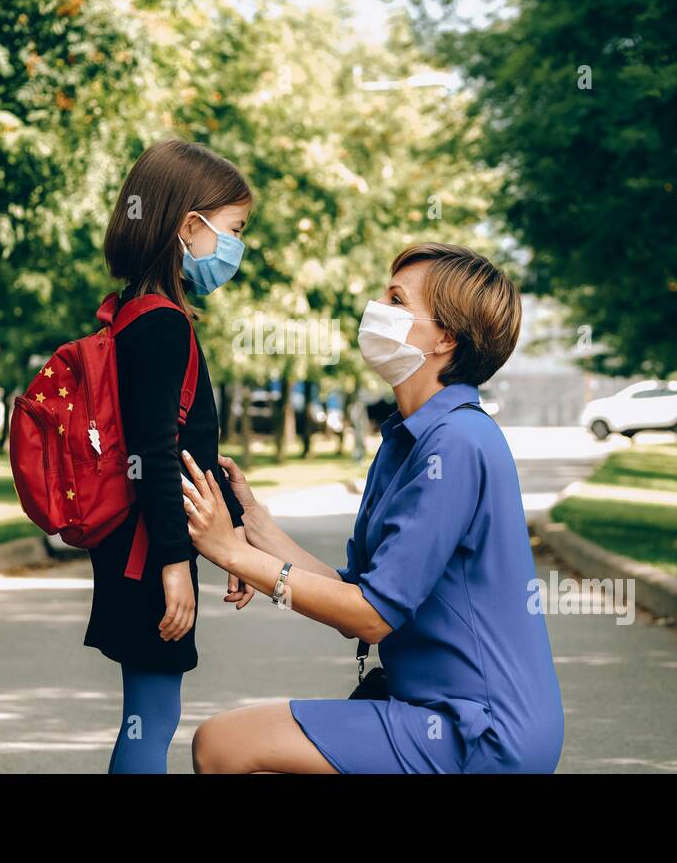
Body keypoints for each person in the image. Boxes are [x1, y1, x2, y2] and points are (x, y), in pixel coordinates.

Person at [181, 242, 565, 773]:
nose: (376, 308)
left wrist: (234, 554)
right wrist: (255, 527)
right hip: (439, 714)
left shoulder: (457, 442)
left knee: (222, 744)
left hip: (478, 729)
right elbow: (355, 597)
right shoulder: (408, 438)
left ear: (445, 337)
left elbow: (372, 617)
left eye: (397, 300)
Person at [83, 138, 254, 773]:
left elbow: (185, 449)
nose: (235, 247)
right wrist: (175, 565)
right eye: (233, 231)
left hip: (137, 548)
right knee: (152, 718)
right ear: (190, 227)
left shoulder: (134, 312)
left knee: (149, 713)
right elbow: (157, 455)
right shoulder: (161, 324)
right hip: (147, 555)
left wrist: (234, 538)